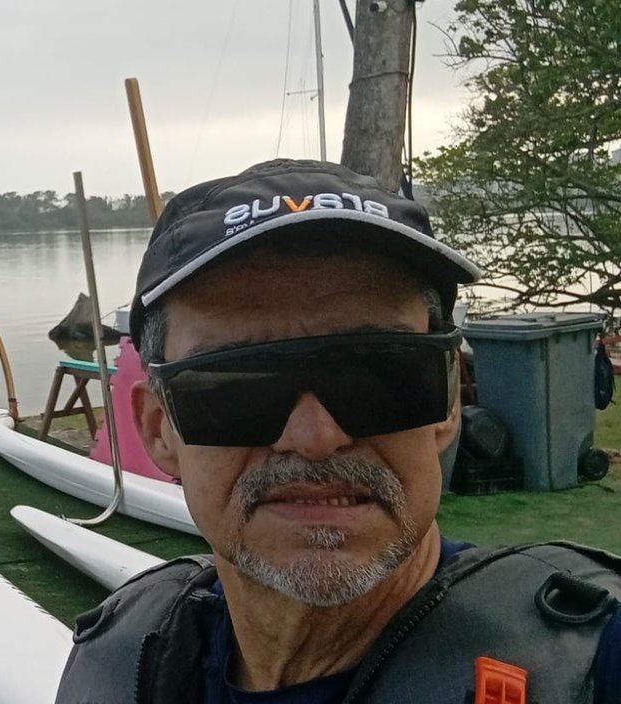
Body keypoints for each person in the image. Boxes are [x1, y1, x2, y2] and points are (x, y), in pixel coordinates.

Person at [55, 159, 621, 703]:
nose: (315, 436)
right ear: (159, 429)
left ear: (447, 402)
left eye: (378, 373)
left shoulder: (600, 659)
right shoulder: (121, 663)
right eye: (238, 386)